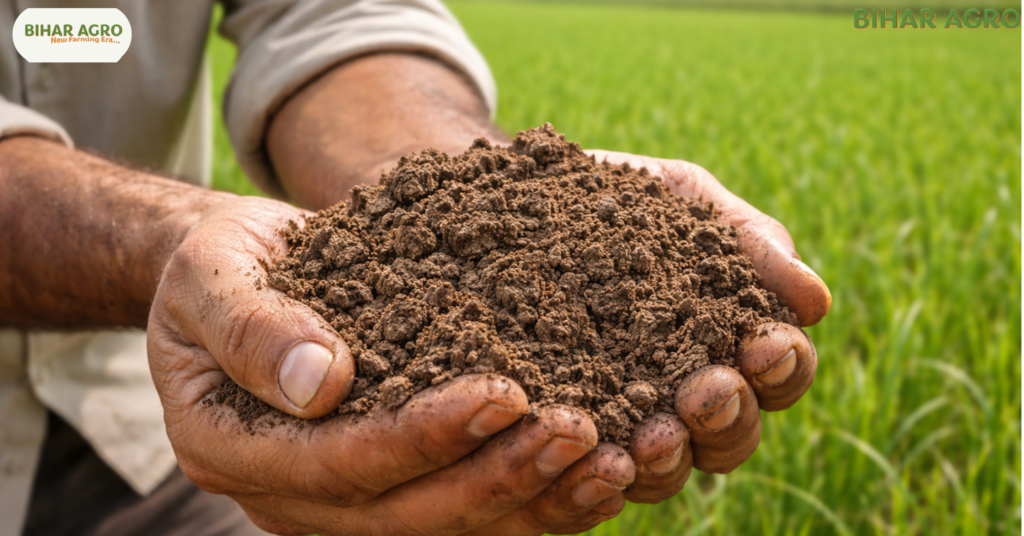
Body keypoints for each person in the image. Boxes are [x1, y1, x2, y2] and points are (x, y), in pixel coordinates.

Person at [0, 1, 832, 535]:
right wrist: (168, 243)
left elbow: (337, 19)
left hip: (138, 423)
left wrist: (451, 191)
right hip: (189, 356)